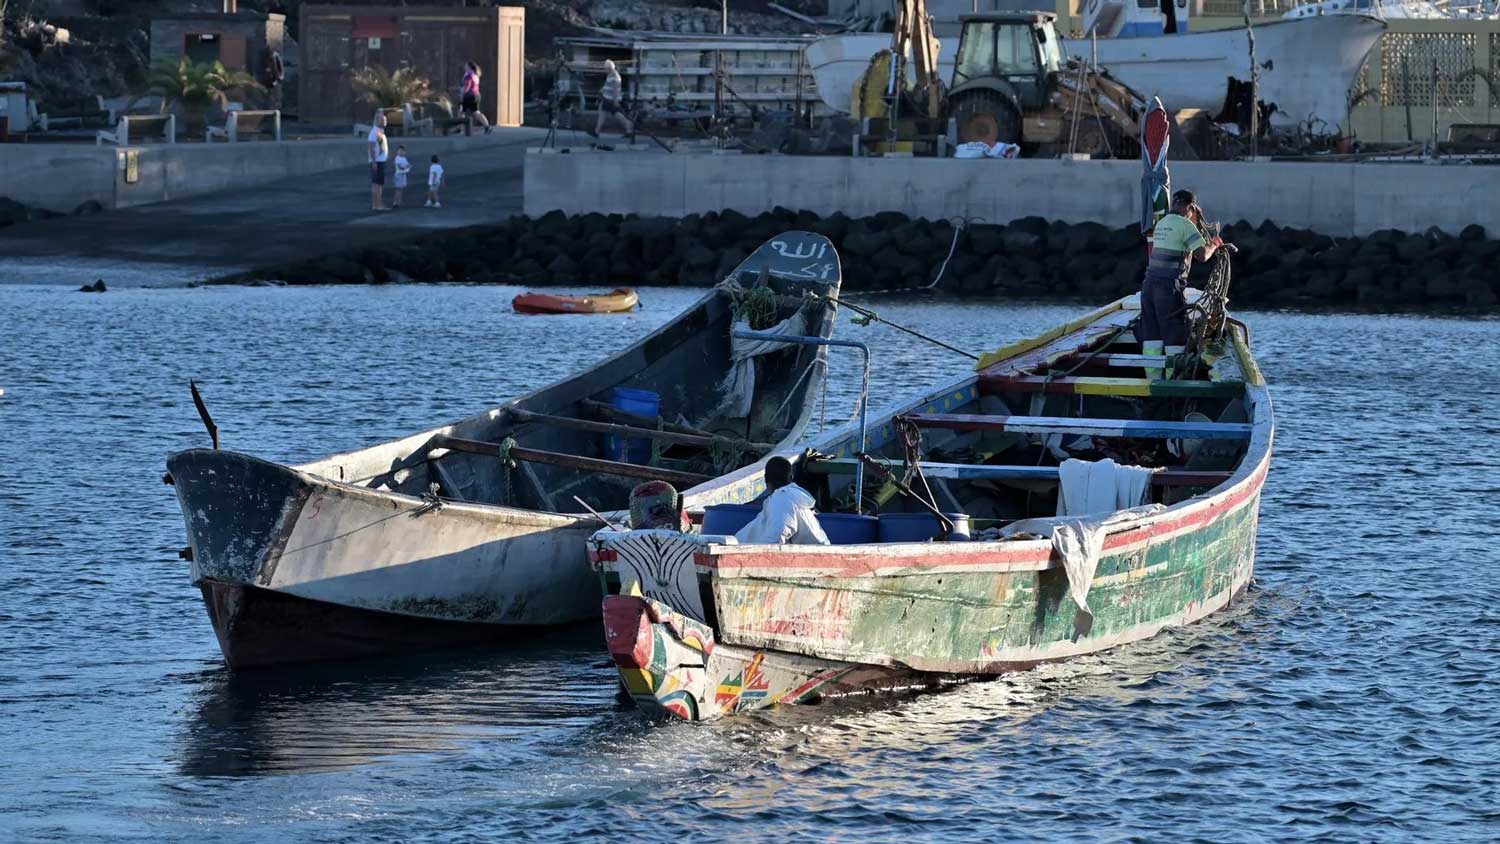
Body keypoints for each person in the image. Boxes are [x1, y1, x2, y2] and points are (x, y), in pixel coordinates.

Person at [1139, 189, 1222, 375]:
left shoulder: (1162, 223)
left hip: (1148, 287)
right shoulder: (1186, 226)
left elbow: (1179, 237)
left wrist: (1194, 221)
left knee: (1152, 337)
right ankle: (1172, 383)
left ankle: (1152, 380)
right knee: (1174, 336)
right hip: (1168, 289)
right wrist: (1215, 243)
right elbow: (1202, 255)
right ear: (1191, 207)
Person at [733, 457, 830, 545]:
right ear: (791, 477)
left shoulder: (782, 499)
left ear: (765, 478)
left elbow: (777, 536)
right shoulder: (794, 497)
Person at [592, 59, 634, 138]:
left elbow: (615, 89)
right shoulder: (610, 75)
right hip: (606, 99)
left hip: (611, 100)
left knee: (618, 116)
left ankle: (629, 129)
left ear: (609, 68)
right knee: (602, 114)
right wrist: (601, 90)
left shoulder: (615, 76)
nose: (604, 70)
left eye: (605, 68)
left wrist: (615, 101)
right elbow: (606, 85)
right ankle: (596, 132)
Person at [459, 61, 492, 134]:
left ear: (469, 67)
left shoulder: (469, 75)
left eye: (466, 66)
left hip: (469, 96)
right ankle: (487, 126)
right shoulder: (475, 75)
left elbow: (467, 85)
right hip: (476, 95)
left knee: (461, 111)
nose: (465, 67)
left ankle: (460, 128)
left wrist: (462, 93)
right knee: (476, 112)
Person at [367, 110, 389, 211]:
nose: (384, 121)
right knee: (376, 184)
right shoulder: (374, 132)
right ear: (376, 120)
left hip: (381, 161)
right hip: (377, 162)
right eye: (382, 119)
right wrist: (374, 161)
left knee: (379, 184)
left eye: (385, 119)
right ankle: (377, 205)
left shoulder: (380, 132)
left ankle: (378, 205)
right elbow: (371, 147)